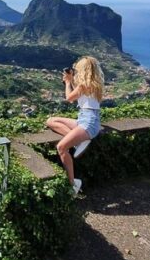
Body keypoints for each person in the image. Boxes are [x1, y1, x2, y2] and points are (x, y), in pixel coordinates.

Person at [45, 56, 105, 195]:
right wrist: (71, 81)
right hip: (87, 120)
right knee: (51, 121)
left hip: (88, 123)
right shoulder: (95, 84)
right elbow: (75, 95)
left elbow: (69, 98)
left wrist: (67, 82)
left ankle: (73, 184)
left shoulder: (84, 85)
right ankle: (80, 141)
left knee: (61, 147)